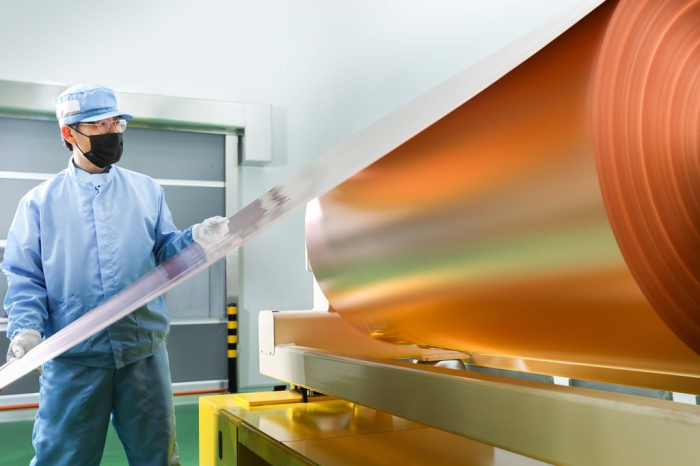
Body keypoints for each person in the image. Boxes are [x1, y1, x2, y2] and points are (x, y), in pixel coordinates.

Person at [1, 83, 229, 466]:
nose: (110, 134)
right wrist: (26, 329)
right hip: (74, 357)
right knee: (64, 458)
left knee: (157, 456)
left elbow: (164, 254)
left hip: (142, 351)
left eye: (115, 124)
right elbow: (25, 277)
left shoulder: (146, 190)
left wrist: (195, 239)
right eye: (98, 126)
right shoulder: (39, 203)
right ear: (68, 133)